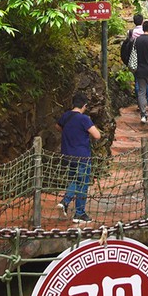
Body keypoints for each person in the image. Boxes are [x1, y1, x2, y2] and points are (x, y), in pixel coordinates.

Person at [57, 93, 101, 223]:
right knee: (82, 184)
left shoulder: (65, 116)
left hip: (68, 155)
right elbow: (97, 135)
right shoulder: (84, 119)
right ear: (84, 106)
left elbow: (57, 127)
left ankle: (65, 203)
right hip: (82, 155)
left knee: (74, 181)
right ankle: (78, 212)